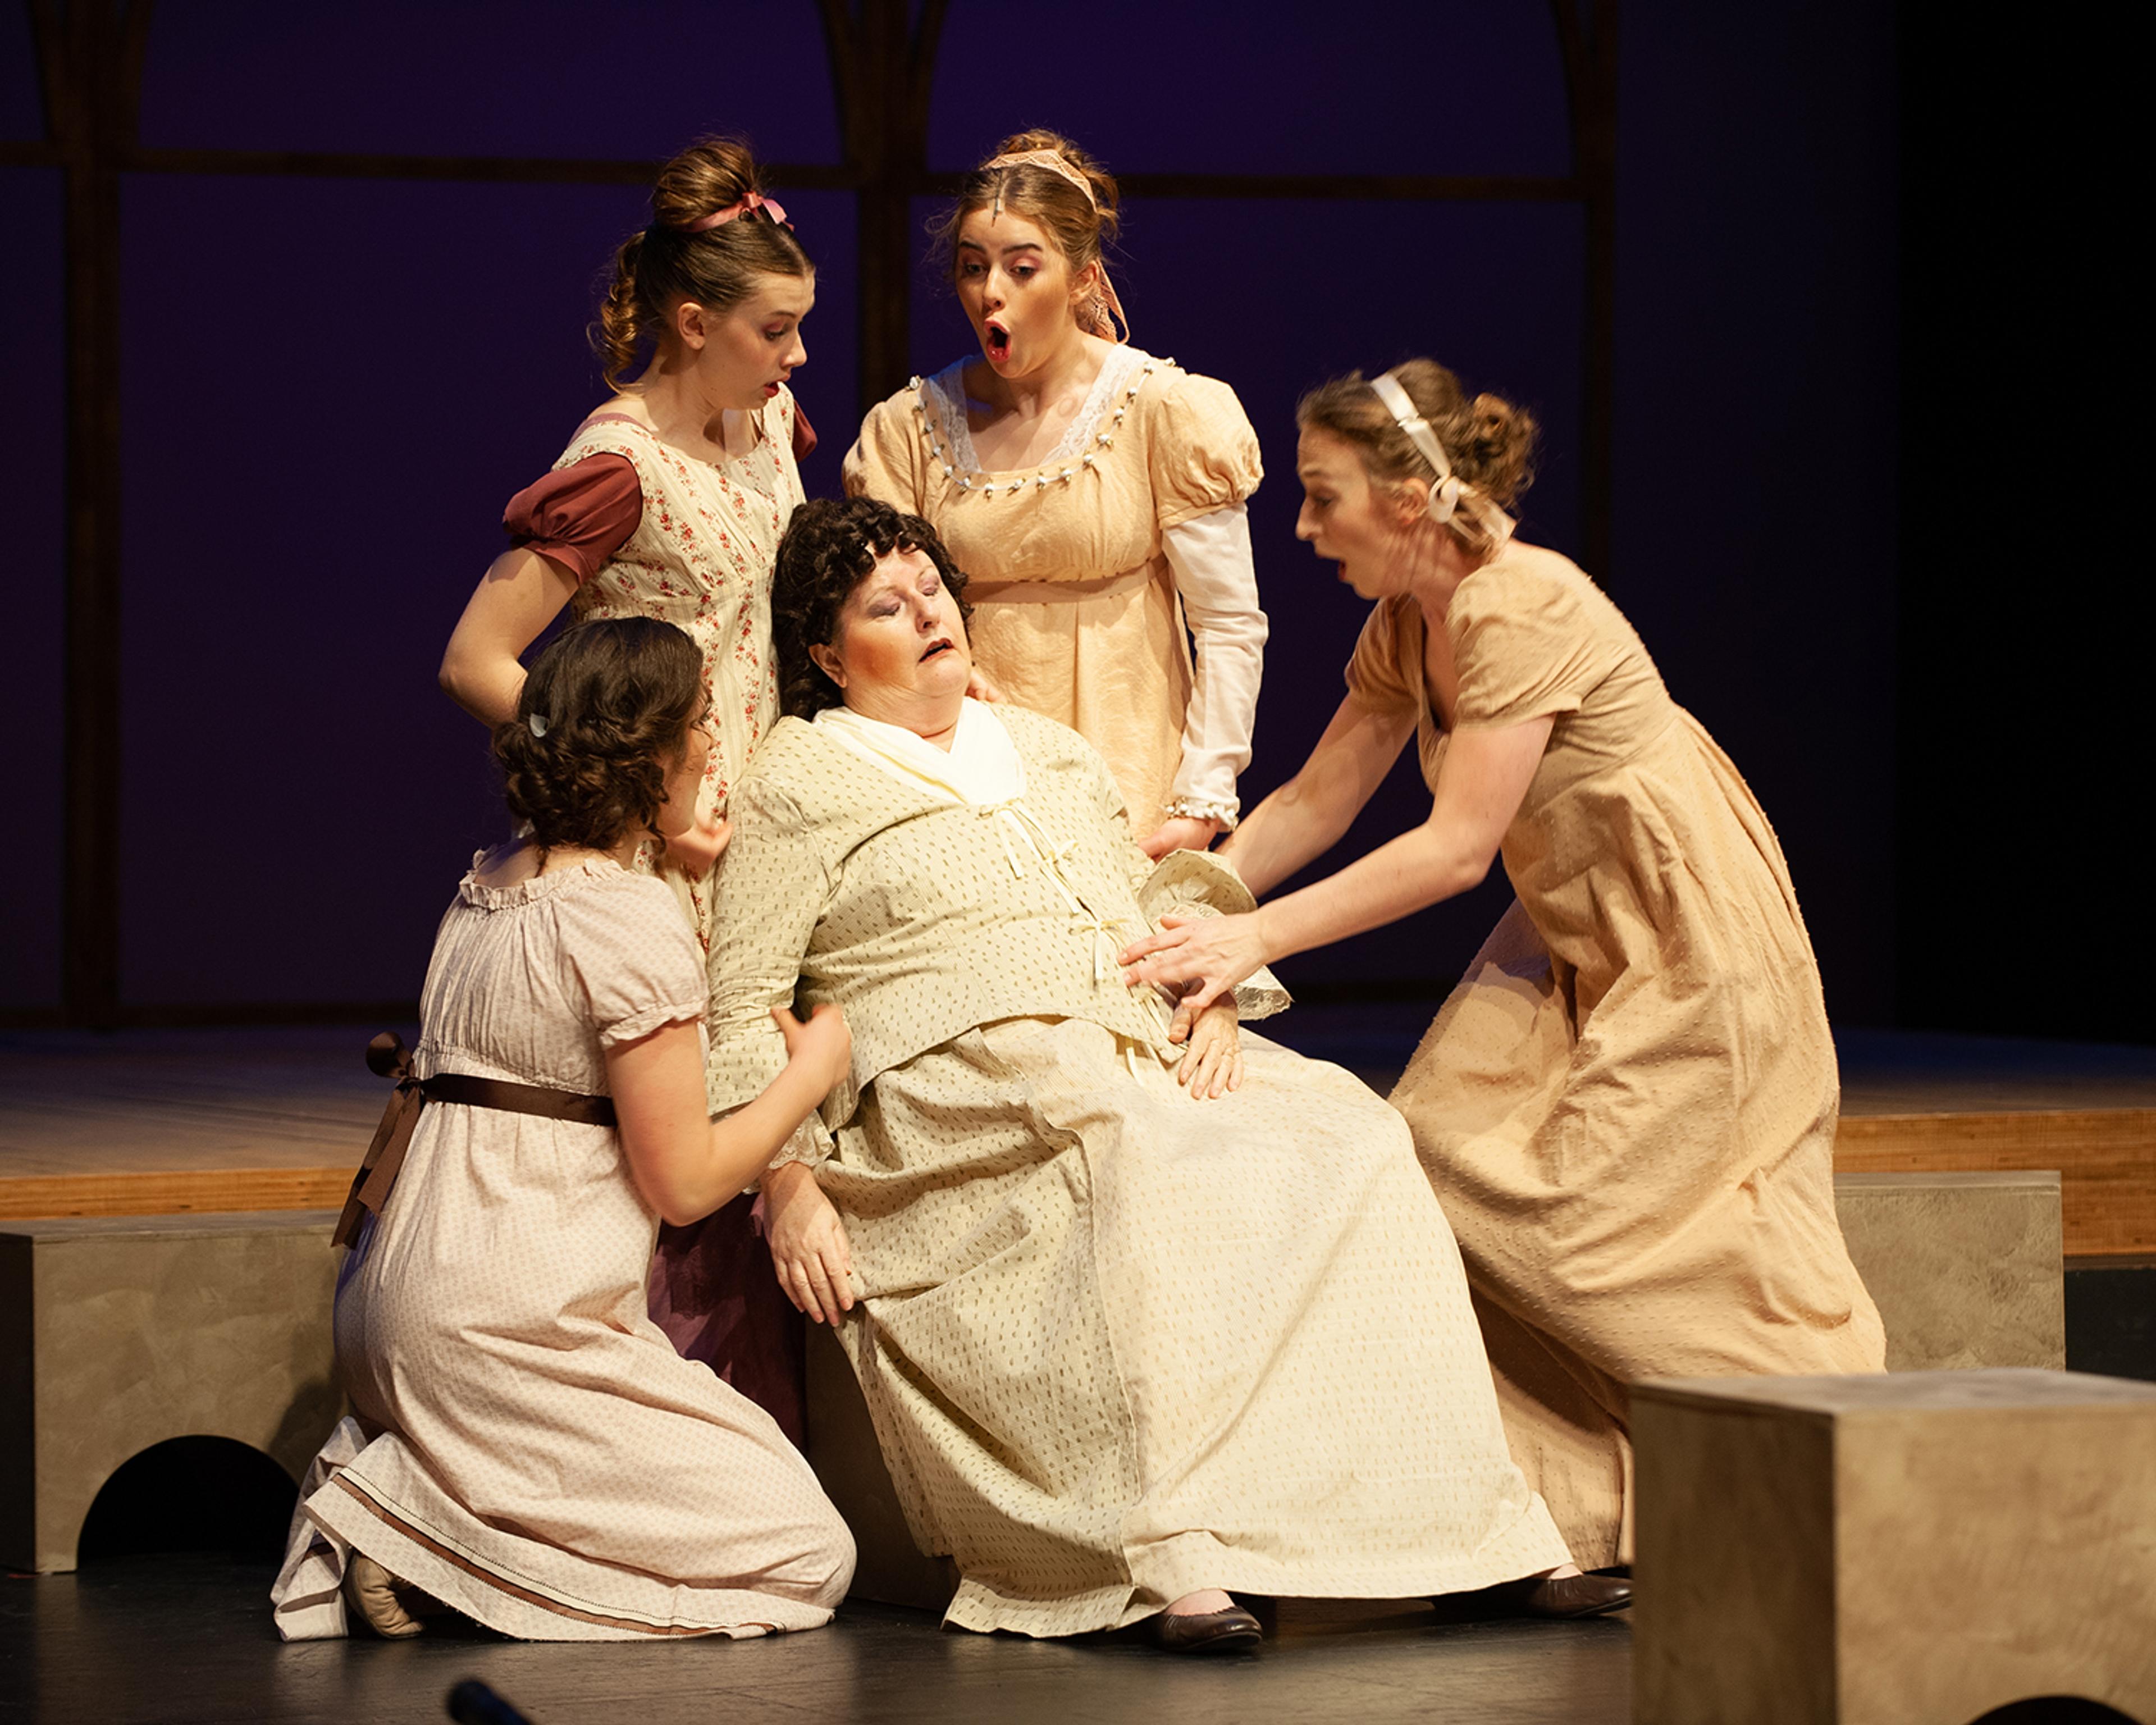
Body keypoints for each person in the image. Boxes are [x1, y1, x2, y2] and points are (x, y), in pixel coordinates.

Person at [702, 496, 1628, 1653]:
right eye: (887, 607)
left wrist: (1214, 994)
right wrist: (787, 1179)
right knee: (1125, 1144)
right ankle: (1174, 1558)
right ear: (832, 656)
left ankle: (1472, 1544)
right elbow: (741, 999)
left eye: (933, 588)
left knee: (1352, 1132)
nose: (929, 613)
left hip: (1126, 1037)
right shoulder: (800, 777)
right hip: (958, 1082)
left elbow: (1146, 904)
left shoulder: (1046, 749)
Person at [1118, 360, 1886, 1568]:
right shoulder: (1405, 622)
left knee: (1595, 1228)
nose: (1305, 525)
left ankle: (1845, 1457)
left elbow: (1456, 849)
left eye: (1324, 496)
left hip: (1686, 938)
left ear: (1409, 502)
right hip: (1573, 934)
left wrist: (1254, 938)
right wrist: (1182, 905)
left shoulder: (1516, 605)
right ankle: (1575, 1511)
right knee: (1424, 1154)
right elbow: (1321, 797)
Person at [271, 618, 856, 1642]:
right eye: (698, 725)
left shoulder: (486, 887)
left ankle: (405, 1493)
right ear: (647, 755)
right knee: (806, 1553)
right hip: (505, 1325)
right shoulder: (626, 920)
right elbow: (683, 1182)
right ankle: (407, 1524)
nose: (713, 746)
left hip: (385, 1309)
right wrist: (808, 1075)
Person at [436, 136, 816, 1435]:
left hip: (768, 817)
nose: (798, 359)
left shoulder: (763, 423)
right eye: (776, 331)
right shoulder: (617, 466)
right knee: (678, 1151)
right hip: (663, 842)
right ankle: (640, 1447)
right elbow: (478, 658)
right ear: (694, 321)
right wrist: (638, 794)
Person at [844, 130, 1267, 856]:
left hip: (1131, 782)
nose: (991, 293)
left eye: (1022, 268)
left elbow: (1228, 624)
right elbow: (875, 617)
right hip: (968, 783)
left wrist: (1201, 800)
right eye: (974, 268)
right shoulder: (908, 430)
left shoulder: (1163, 411)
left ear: (1081, 279)